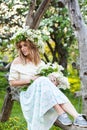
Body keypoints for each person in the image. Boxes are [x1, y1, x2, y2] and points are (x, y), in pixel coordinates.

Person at [9, 28, 87, 130]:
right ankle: (62, 113)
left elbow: (46, 83)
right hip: (28, 95)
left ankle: (76, 116)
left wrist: (53, 81)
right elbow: (12, 82)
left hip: (42, 94)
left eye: (25, 45)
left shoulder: (40, 63)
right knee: (41, 80)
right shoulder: (17, 61)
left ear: (32, 45)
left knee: (44, 80)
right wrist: (32, 79)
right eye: (20, 46)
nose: (22, 48)